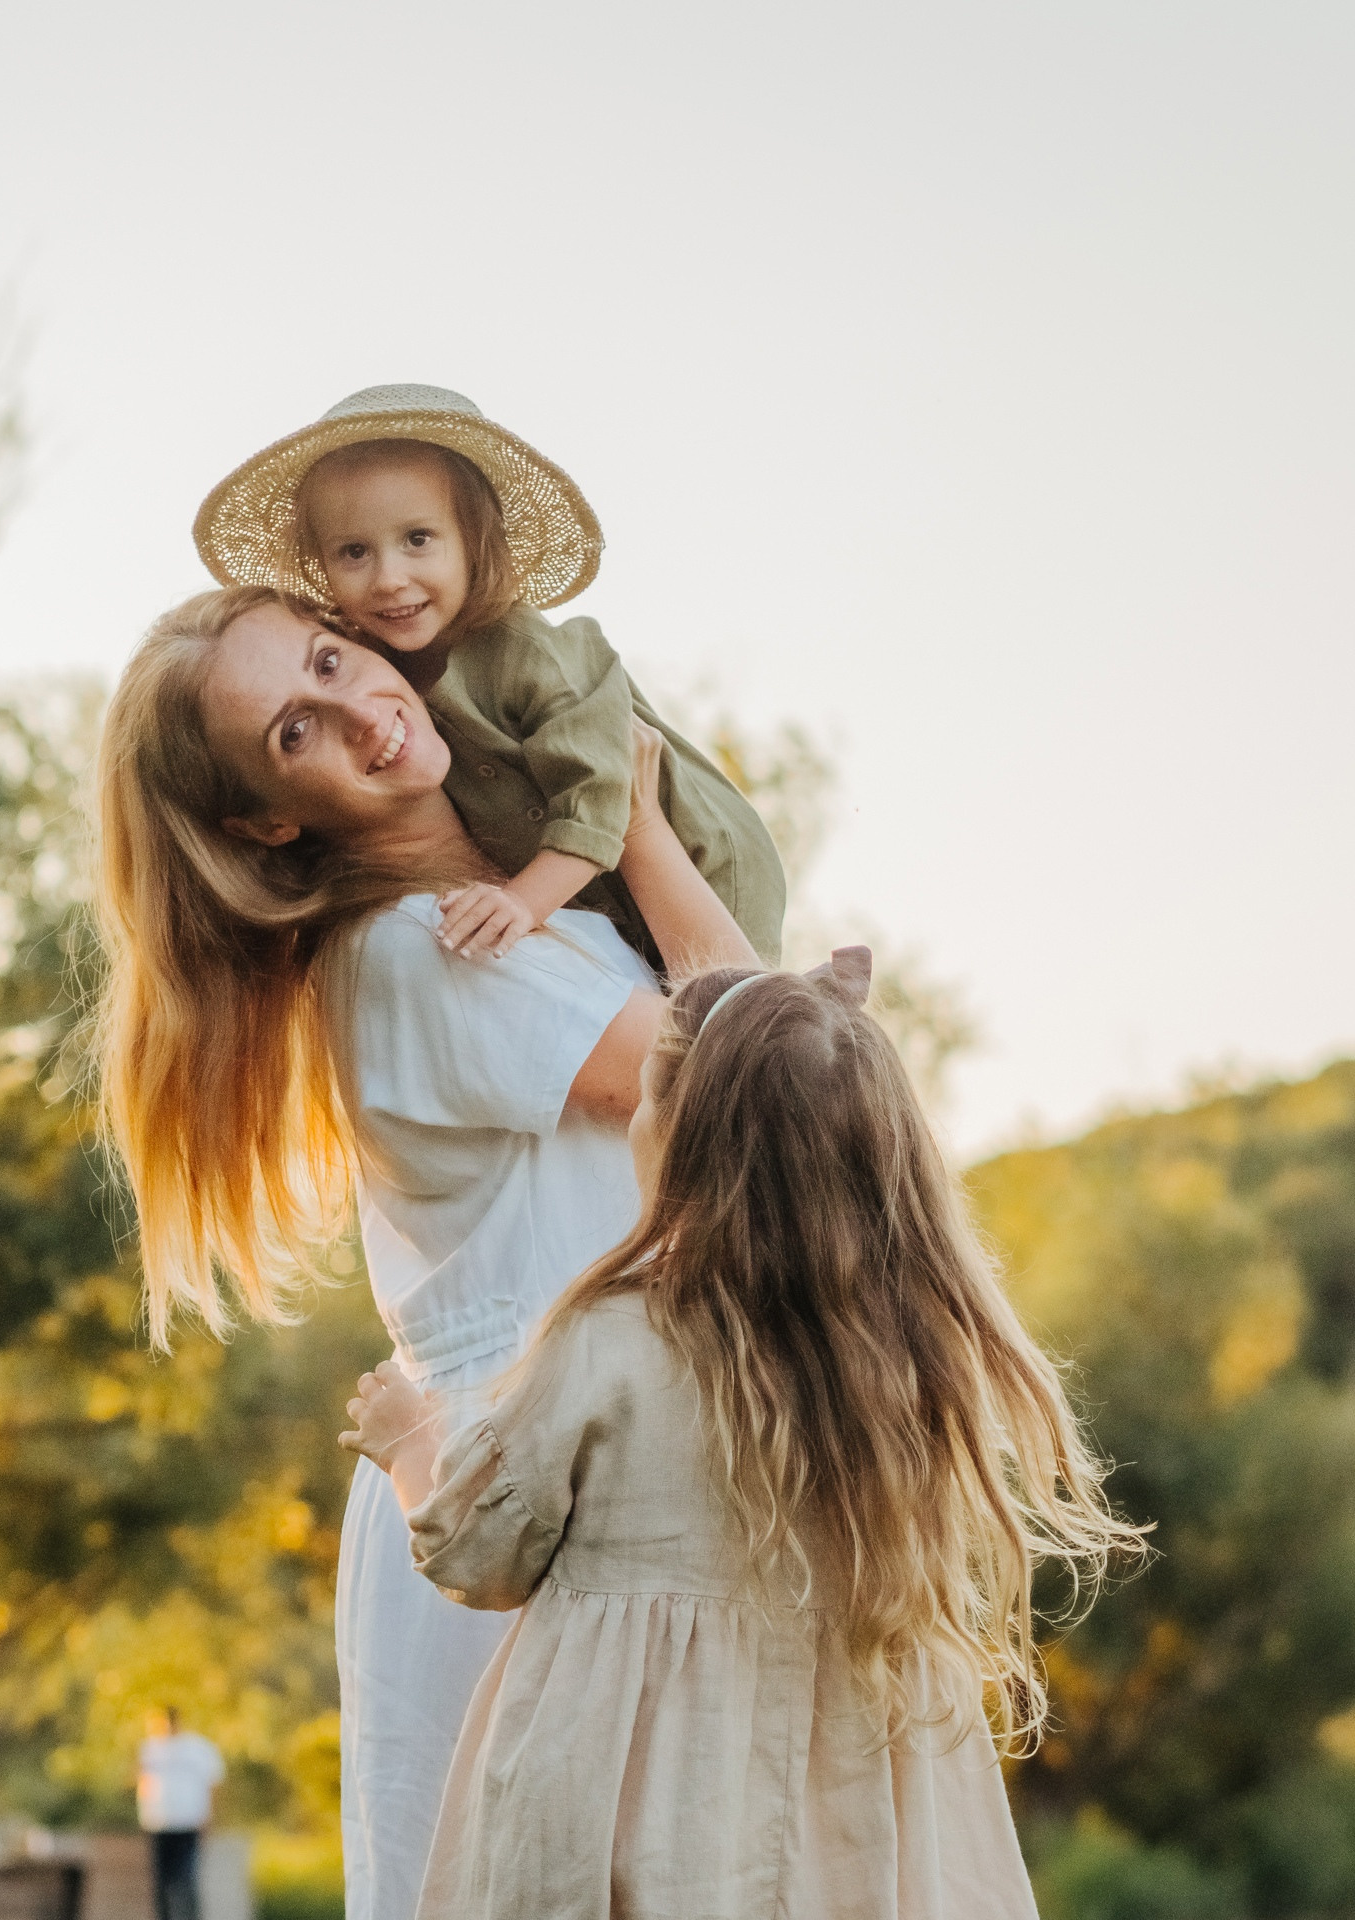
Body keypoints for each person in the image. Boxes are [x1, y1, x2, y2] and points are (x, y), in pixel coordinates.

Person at [91, 586, 759, 1920]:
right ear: (269, 820)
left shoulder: (506, 919)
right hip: (525, 1497)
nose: (360, 712)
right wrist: (628, 814)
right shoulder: (422, 948)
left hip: (593, 1479)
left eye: (337, 663)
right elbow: (755, 1058)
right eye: (295, 730)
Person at [342, 954, 1149, 1919]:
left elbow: (482, 1553)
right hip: (848, 1828)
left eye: (647, 1102)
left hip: (634, 1815)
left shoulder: (608, 1339)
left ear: (682, 1141)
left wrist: (408, 1444)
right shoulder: (909, 1368)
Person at [192, 383, 786, 969]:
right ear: (321, 563)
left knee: (727, 999)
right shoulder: (373, 676)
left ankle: (802, 1006)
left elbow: (605, 789)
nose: (388, 577)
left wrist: (523, 902)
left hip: (706, 865)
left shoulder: (527, 650)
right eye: (353, 552)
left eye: (418, 539)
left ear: (474, 542)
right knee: (664, 995)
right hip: (612, 901)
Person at [136, 1707, 225, 1920]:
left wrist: (209, 1816)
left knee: (185, 1881)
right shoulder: (150, 1748)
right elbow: (141, 1781)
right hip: (158, 1824)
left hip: (188, 1823)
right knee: (161, 1883)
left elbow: (213, 1782)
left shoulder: (196, 1747)